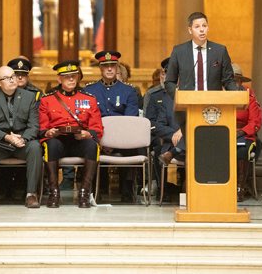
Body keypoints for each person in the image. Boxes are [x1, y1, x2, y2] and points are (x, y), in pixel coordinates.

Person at [39, 60, 103, 208]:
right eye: (67, 76)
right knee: (51, 145)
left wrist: (88, 134)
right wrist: (48, 132)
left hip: (79, 141)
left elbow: (97, 127)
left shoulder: (89, 99)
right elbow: (42, 127)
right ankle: (54, 192)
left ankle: (84, 193)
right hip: (58, 141)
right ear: (59, 79)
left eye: (74, 76)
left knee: (93, 146)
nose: (71, 79)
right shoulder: (47, 100)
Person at [0, 66, 42, 208]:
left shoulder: (29, 97)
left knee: (35, 147)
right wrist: (8, 137)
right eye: (7, 78)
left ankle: (31, 194)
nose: (12, 80)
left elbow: (34, 126)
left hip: (22, 142)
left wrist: (23, 138)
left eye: (13, 76)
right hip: (0, 142)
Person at [84, 51, 139, 202]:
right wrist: (103, 140)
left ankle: (126, 190)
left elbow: (129, 120)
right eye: (105, 66)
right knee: (88, 145)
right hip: (97, 139)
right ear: (100, 69)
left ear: (117, 68)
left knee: (132, 145)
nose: (109, 69)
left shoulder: (129, 91)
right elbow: (86, 119)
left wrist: (114, 141)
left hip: (123, 138)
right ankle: (97, 190)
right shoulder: (89, 91)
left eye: (112, 66)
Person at [164, 12, 238, 98]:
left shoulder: (220, 51)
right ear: (190, 30)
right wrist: (180, 97)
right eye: (197, 27)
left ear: (208, 28)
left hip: (213, 104)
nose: (202, 29)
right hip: (187, 104)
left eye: (204, 26)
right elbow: (169, 82)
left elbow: (228, 80)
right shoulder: (179, 51)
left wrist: (236, 95)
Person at [146, 58, 185, 200]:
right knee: (158, 148)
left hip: (193, 143)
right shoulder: (165, 99)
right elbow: (158, 124)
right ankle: (164, 191)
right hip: (170, 141)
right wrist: (175, 133)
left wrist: (183, 132)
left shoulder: (193, 95)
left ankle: (176, 150)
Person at [233, 63, 262, 201]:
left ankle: (239, 187)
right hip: (222, 132)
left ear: (240, 81)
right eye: (230, 79)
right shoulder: (219, 94)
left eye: (236, 80)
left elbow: (255, 121)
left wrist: (241, 132)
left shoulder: (248, 95)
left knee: (241, 151)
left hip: (244, 135)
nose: (233, 83)